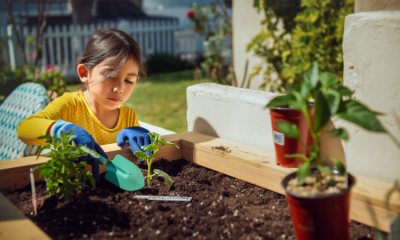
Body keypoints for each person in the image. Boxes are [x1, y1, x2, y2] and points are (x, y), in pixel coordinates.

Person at [17, 29, 151, 183]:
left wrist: (142, 140)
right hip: (72, 184)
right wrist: (60, 130)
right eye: (110, 76)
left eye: (129, 81)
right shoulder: (70, 105)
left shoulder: (128, 115)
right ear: (84, 73)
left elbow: (133, 161)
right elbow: (24, 129)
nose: (120, 88)